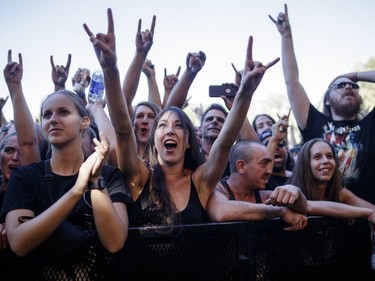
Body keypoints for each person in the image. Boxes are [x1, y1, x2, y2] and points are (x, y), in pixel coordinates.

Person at [83, 8, 279, 227]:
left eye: (178, 126)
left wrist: (244, 93)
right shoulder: (139, 176)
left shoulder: (201, 181)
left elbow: (224, 142)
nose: (169, 130)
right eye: (163, 125)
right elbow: (122, 129)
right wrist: (110, 68)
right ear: (154, 141)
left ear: (187, 141)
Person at [0, 90, 132, 279]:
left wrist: (95, 181)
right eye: (47, 115)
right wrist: (77, 190)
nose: (53, 119)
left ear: (84, 122)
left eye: (63, 112)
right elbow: (19, 244)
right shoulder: (25, 177)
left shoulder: (109, 176)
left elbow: (115, 243)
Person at [270, 4, 375, 204]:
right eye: (340, 85)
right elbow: (291, 80)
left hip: (367, 217)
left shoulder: (370, 125)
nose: (348, 87)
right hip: (320, 217)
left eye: (353, 86)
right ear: (327, 98)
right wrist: (286, 36)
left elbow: (351, 81)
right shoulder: (314, 122)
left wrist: (354, 75)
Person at [207, 140, 307, 231]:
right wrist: (281, 211)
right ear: (241, 166)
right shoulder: (217, 189)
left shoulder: (264, 196)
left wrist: (296, 192)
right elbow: (221, 212)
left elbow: (303, 209)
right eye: (264, 164)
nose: (269, 171)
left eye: (269, 164)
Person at [259, 116, 292, 190]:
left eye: (280, 144)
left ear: (286, 149)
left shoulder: (299, 175)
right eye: (267, 145)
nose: (276, 148)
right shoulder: (260, 182)